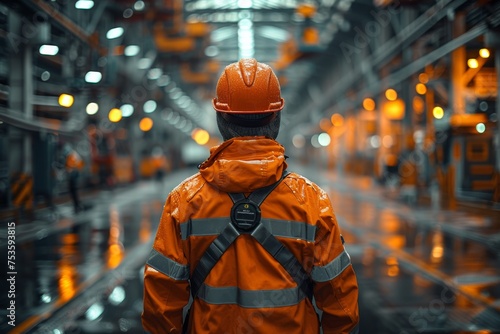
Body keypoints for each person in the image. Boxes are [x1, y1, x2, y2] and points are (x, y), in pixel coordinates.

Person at [142, 58, 359, 333]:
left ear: (221, 118)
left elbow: (161, 304)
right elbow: (340, 301)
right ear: (277, 118)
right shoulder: (311, 201)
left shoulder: (183, 201)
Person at [64, 144, 84, 213]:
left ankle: (77, 205)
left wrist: (68, 170)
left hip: (74, 174)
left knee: (73, 190)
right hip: (76, 173)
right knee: (74, 190)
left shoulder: (71, 156)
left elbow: (69, 166)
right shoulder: (74, 154)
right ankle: (77, 204)